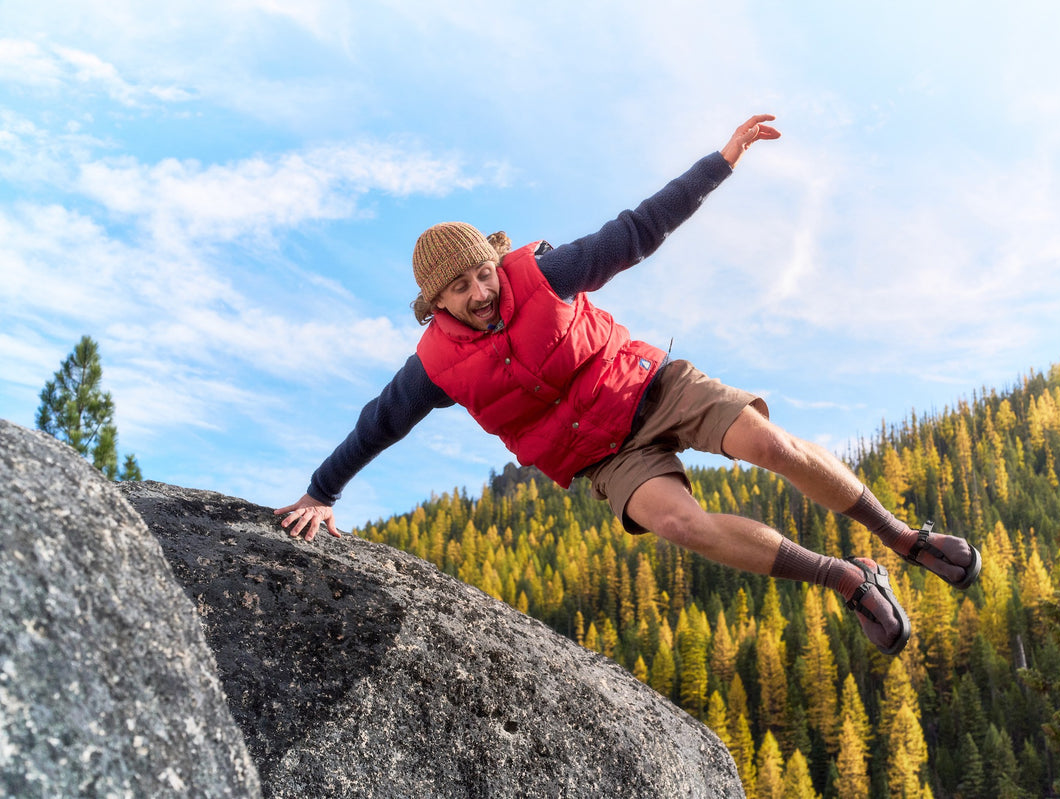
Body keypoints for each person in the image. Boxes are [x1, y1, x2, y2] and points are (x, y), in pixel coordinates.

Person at [276, 114, 981, 656]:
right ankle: (848, 578)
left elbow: (637, 230)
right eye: (461, 288)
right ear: (437, 304)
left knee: (767, 442)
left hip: (649, 383)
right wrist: (321, 491)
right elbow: (378, 423)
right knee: (681, 523)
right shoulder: (435, 365)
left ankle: (901, 537)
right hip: (604, 456)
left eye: (483, 273)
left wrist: (721, 163)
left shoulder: (541, 275)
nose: (482, 291)